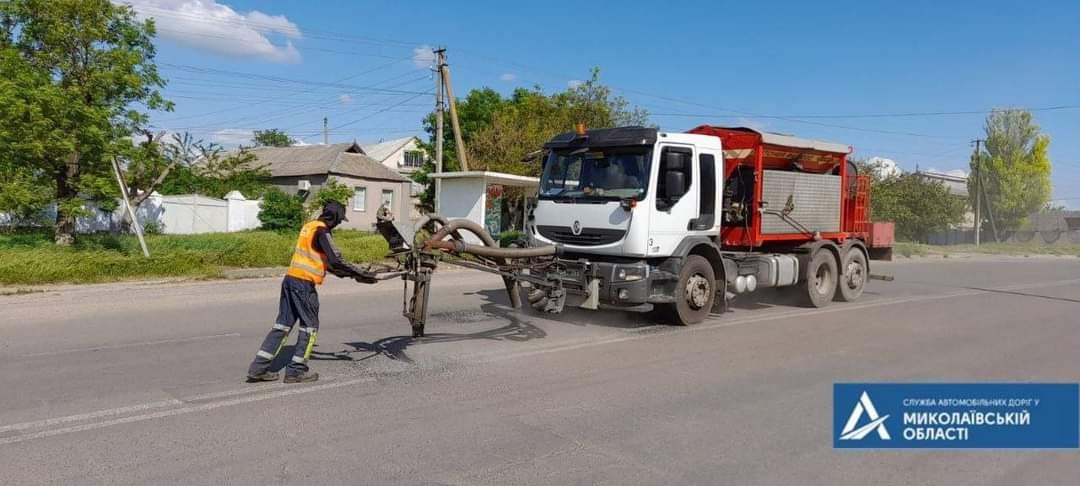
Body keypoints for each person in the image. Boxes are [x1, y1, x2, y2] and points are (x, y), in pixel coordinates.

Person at [246, 201, 373, 384]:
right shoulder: (322, 231)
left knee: (282, 325)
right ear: (336, 217)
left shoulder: (309, 227)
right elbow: (336, 260)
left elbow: (326, 263)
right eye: (340, 220)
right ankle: (296, 371)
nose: (338, 224)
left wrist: (351, 275)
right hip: (304, 285)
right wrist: (359, 273)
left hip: (290, 281)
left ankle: (258, 368)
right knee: (310, 327)